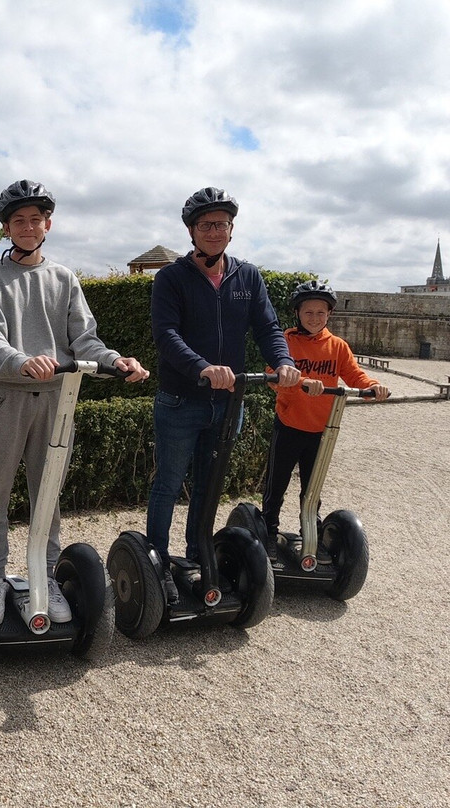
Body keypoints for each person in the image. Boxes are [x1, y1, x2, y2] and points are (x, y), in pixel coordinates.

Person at [0, 180, 150, 626]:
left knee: (47, 494)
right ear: (7, 228)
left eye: (35, 219)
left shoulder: (64, 278)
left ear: (47, 225)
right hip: (5, 400)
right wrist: (22, 360)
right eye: (18, 221)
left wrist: (115, 360)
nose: (28, 227)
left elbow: (83, 339)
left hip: (57, 401)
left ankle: (44, 575)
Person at [148, 186, 301, 603]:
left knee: (207, 485)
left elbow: (268, 328)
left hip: (228, 402)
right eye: (205, 224)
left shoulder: (247, 276)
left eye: (221, 224)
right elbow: (166, 335)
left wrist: (282, 361)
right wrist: (202, 367)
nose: (214, 231)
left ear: (231, 230)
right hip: (181, 399)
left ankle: (197, 556)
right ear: (192, 231)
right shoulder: (171, 278)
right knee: (168, 483)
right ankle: (155, 562)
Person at [260, 280, 390, 554]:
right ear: (298, 313)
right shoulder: (287, 341)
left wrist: (373, 386)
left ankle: (309, 527)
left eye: (321, 313)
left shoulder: (338, 346)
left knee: (313, 486)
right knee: (277, 482)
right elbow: (274, 375)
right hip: (289, 424)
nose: (315, 318)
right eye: (309, 313)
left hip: (322, 430)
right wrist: (301, 381)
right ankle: (269, 527)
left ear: (329, 314)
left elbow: (355, 375)